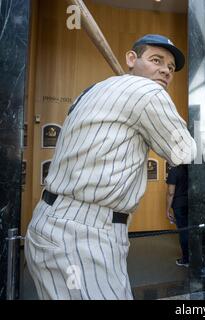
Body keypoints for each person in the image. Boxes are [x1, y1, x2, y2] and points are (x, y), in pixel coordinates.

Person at [24, 34, 196, 300]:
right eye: (156, 60)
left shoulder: (91, 90)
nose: (165, 70)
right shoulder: (148, 92)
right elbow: (184, 152)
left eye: (171, 68)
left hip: (56, 223)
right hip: (82, 235)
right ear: (131, 59)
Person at [166, 164, 189, 267]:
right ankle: (197, 257)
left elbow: (171, 192)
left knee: (183, 232)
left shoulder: (174, 171)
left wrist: (167, 209)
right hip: (192, 203)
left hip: (179, 205)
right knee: (193, 231)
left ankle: (186, 259)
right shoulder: (190, 169)